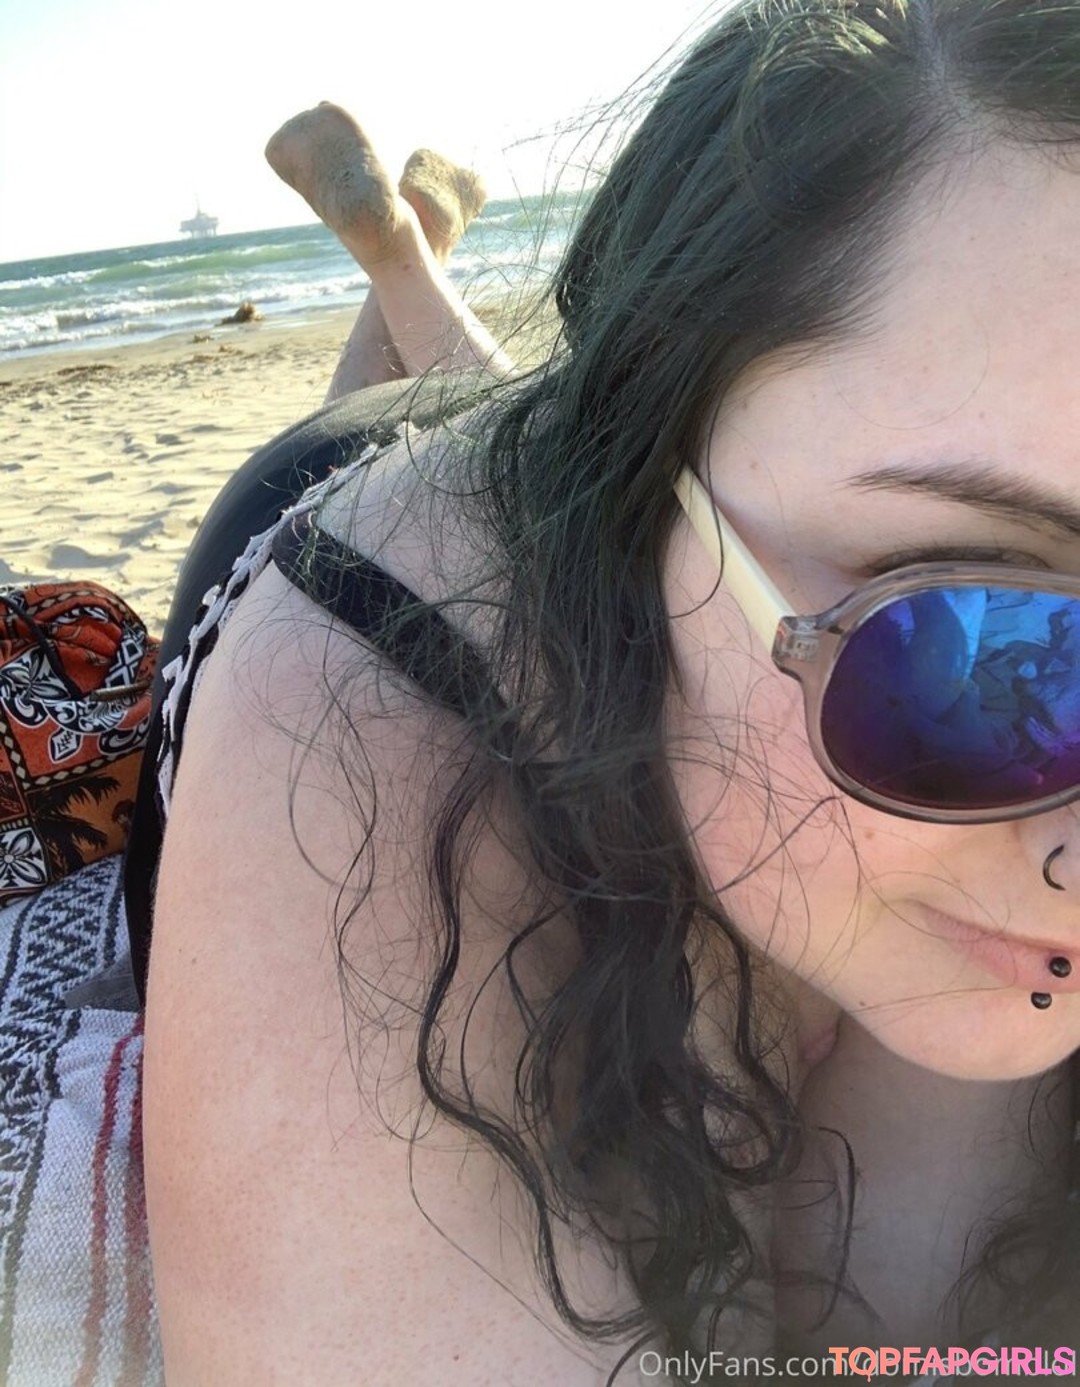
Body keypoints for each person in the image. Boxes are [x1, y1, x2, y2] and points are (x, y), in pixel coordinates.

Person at [138, 2, 1080, 1382]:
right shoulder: (358, 699)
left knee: (522, 400)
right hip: (343, 513)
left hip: (615, 464)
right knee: (385, 427)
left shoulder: (791, 495)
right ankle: (397, 269)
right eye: (977, 642)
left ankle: (404, 261)